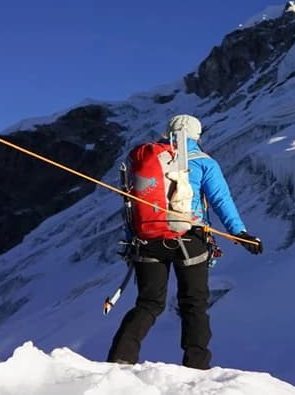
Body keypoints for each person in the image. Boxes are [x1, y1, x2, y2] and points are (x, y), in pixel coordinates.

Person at [107, 114, 262, 369]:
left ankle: (120, 359)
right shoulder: (203, 162)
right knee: (194, 304)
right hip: (190, 240)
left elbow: (132, 206)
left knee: (148, 303)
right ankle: (196, 365)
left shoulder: (146, 160)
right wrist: (240, 233)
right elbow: (221, 200)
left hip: (147, 239)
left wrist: (129, 241)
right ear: (197, 136)